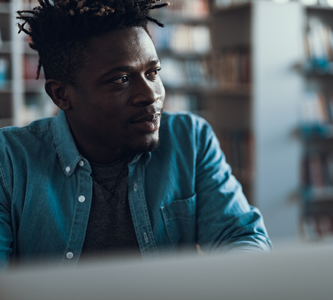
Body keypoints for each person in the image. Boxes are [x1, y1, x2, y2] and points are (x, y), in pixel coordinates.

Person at [0, 0, 272, 270]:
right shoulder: (10, 160)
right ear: (61, 95)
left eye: (152, 72)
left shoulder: (190, 139)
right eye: (121, 79)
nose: (151, 94)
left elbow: (241, 236)